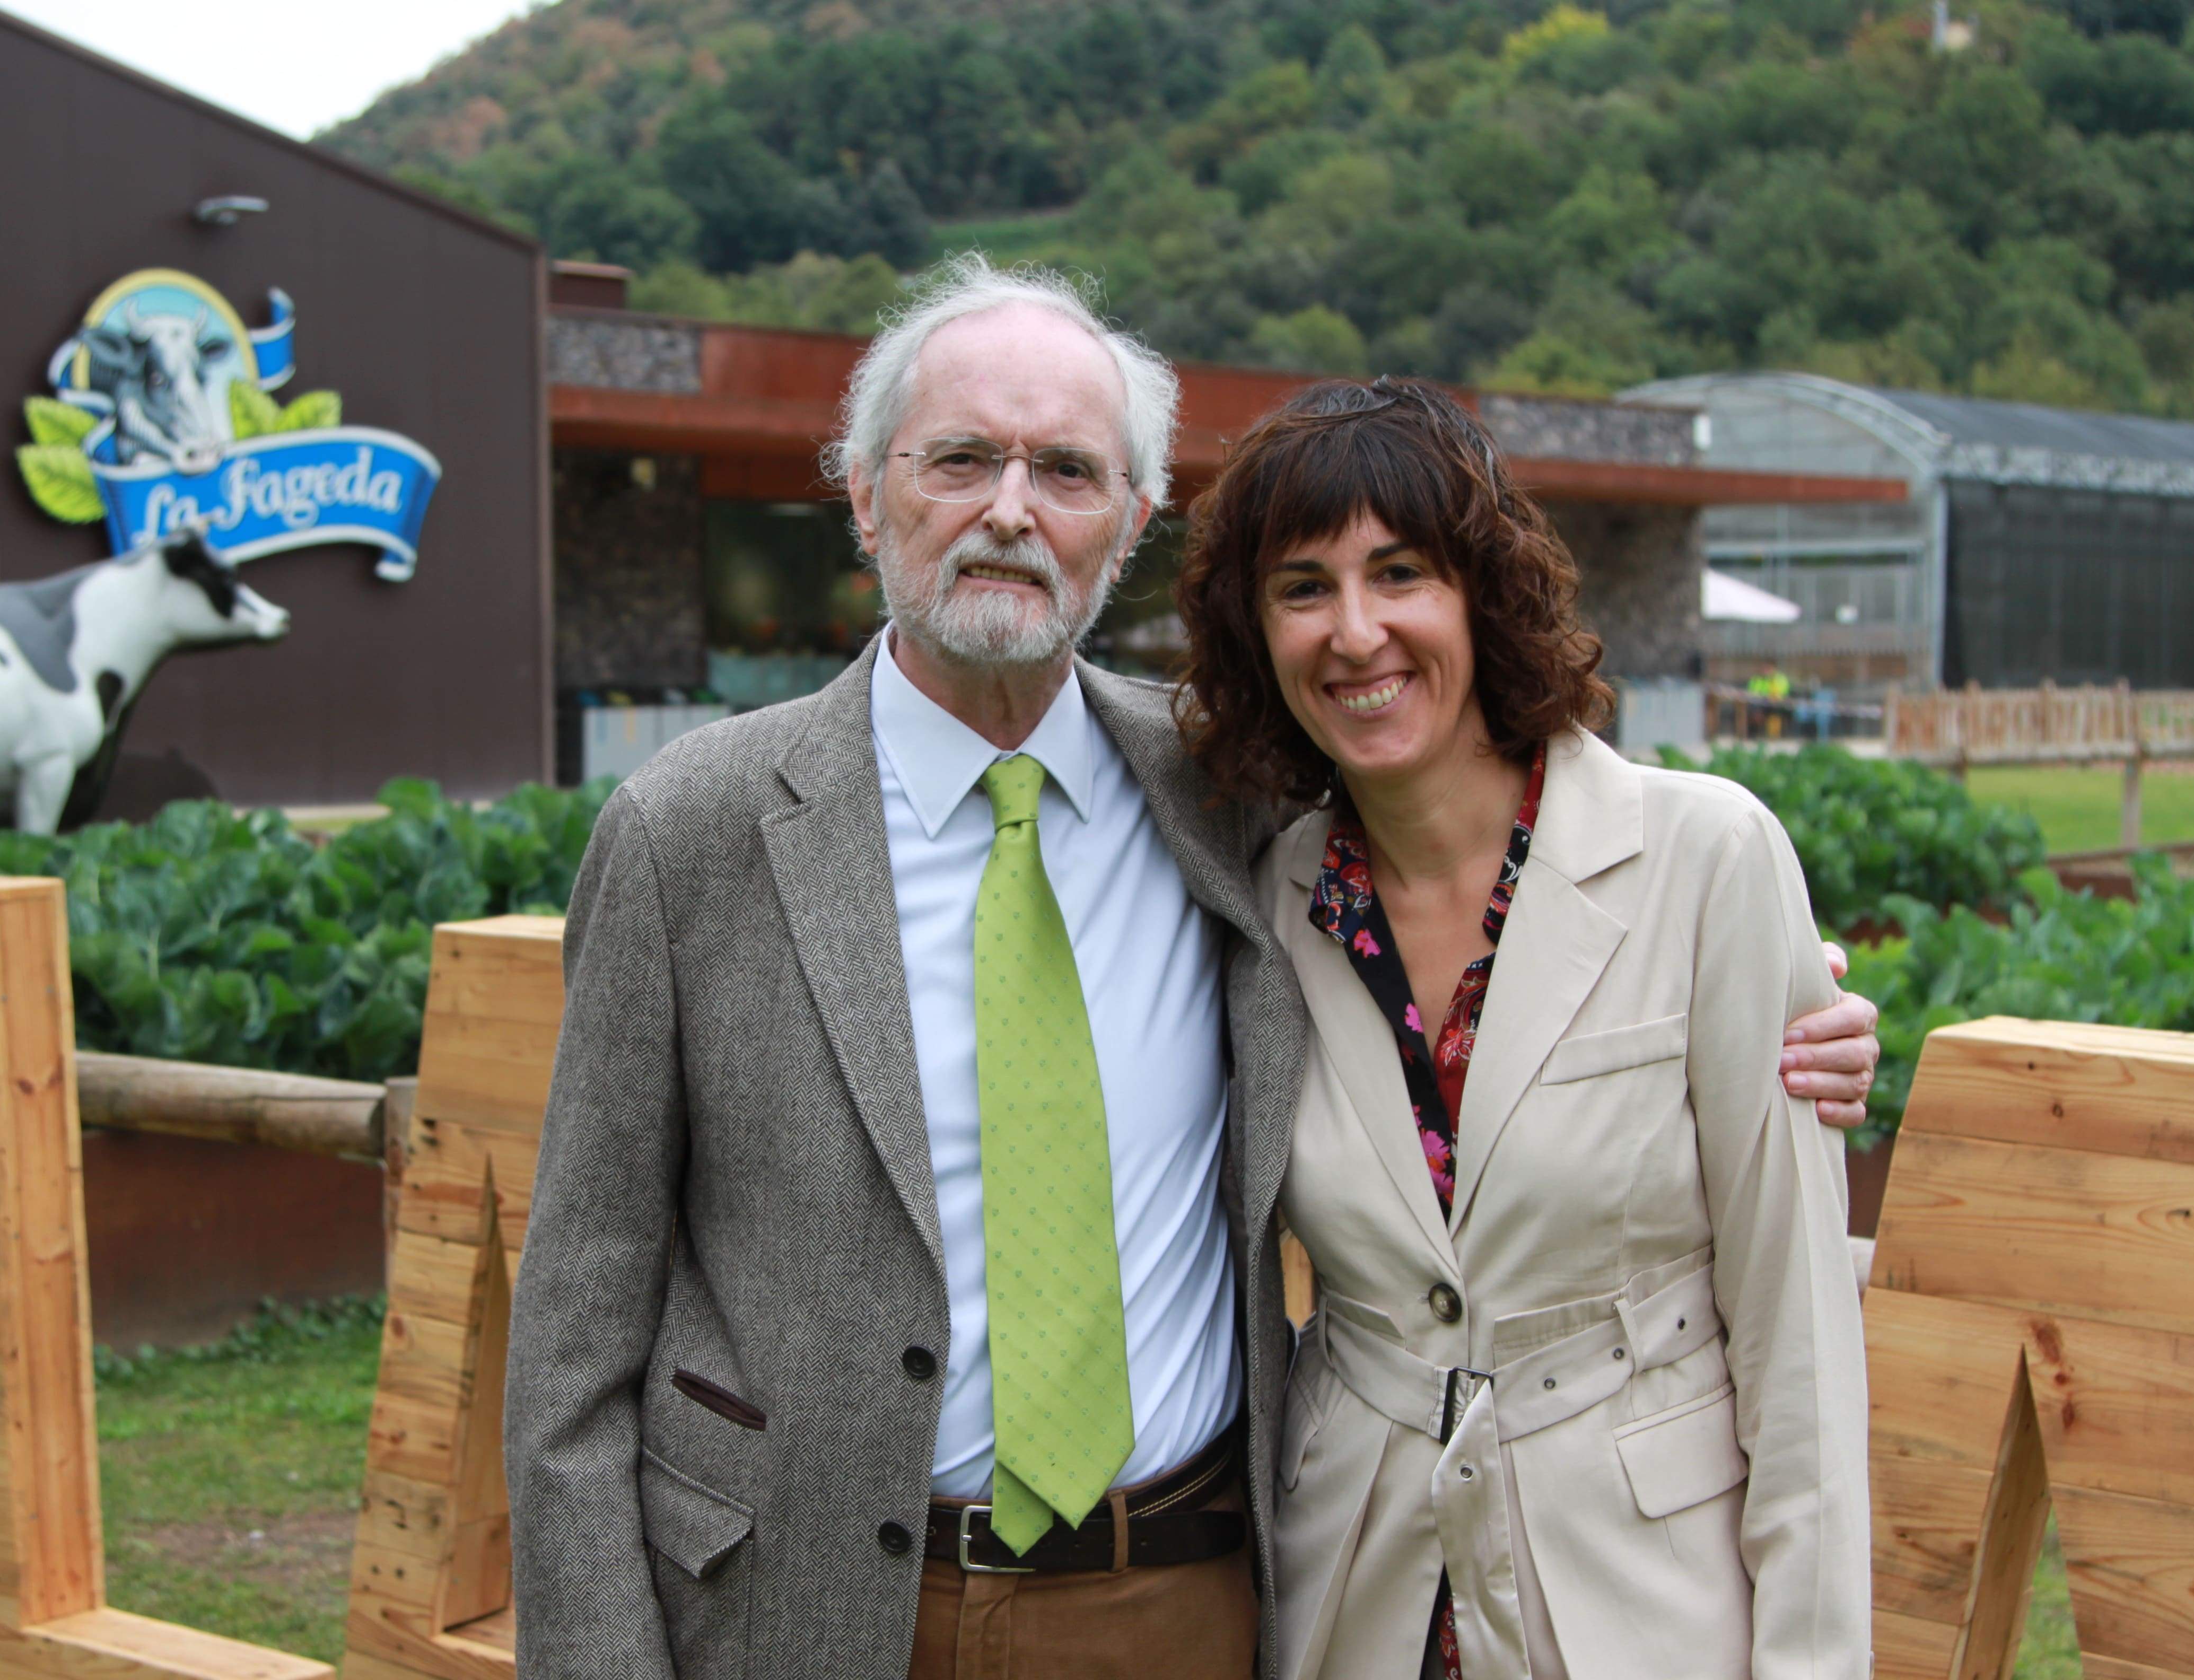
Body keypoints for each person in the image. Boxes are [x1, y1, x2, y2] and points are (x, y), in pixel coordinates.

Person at [502, 257, 1879, 1680]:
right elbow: (572, 1352)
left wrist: (1787, 996)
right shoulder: (690, 836)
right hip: (809, 1617)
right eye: (961, 460)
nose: (1010, 511)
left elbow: (1531, 916)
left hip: (1181, 1606)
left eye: (1068, 472)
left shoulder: (1228, 802)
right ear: (864, 489)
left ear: (1132, 524)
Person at [1174, 377, 1870, 1680]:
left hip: (1644, 1594)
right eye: (1303, 588)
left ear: (1483, 596)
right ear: (1255, 631)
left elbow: (1801, 1350)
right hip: (1358, 1586)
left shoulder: (1707, 859)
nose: (1357, 631)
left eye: (1401, 573)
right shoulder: (1262, 897)